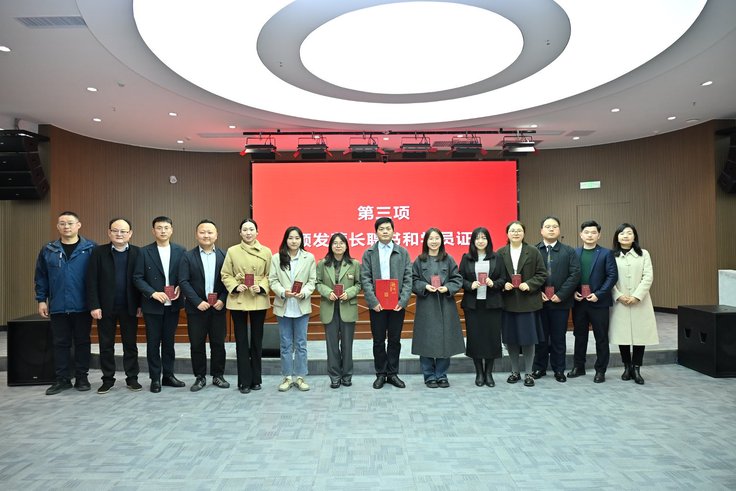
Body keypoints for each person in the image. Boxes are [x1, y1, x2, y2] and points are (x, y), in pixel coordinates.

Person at [35, 211, 96, 395]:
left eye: (70, 223)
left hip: (83, 305)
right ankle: (62, 379)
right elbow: (41, 277)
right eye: (62, 223)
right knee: (60, 343)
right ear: (57, 226)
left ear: (78, 225)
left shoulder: (91, 248)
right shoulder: (48, 250)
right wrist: (41, 300)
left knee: (82, 342)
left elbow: (97, 277)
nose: (66, 226)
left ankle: (82, 377)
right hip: (58, 306)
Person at [86, 218, 141, 394]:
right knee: (106, 344)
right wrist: (94, 305)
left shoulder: (138, 253)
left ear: (130, 233)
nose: (119, 234)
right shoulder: (98, 252)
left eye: (123, 231)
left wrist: (140, 304)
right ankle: (108, 379)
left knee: (130, 344)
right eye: (115, 230)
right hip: (105, 307)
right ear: (109, 232)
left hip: (130, 306)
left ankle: (132, 378)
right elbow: (91, 280)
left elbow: (141, 280)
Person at [132, 216, 186, 393]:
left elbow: (184, 275)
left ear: (172, 230)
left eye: (166, 227)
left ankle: (168, 375)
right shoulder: (144, 252)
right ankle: (155, 378)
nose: (163, 231)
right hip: (152, 305)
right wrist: (152, 293)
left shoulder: (180, 250)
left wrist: (180, 286)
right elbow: (137, 278)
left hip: (173, 304)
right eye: (159, 228)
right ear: (153, 231)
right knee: (153, 343)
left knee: (169, 342)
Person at [360, 217, 413, 389]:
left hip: (397, 304)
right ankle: (381, 374)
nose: (385, 231)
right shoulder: (369, 253)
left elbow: (408, 278)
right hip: (377, 305)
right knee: (378, 340)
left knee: (395, 340)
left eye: (388, 228)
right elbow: (365, 278)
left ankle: (393, 373)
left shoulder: (402, 252)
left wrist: (403, 300)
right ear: (376, 232)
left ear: (393, 231)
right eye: (381, 229)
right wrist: (373, 301)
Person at [221, 218, 272, 394]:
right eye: (245, 229)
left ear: (257, 232)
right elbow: (225, 274)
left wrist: (262, 286)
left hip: (258, 297)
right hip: (239, 298)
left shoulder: (266, 251)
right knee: (241, 341)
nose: (248, 233)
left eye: (251, 229)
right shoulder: (232, 251)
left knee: (257, 340)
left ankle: (256, 379)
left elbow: (270, 274)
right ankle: (244, 381)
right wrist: (235, 286)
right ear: (240, 232)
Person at [178, 219, 230, 392]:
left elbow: (228, 281)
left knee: (218, 343)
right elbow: (183, 281)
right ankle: (200, 377)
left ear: (216, 235)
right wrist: (197, 301)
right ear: (196, 235)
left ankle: (218, 375)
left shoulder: (224, 256)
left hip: (218, 308)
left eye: (210, 232)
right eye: (202, 232)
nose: (206, 235)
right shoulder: (187, 256)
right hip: (196, 309)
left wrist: (223, 299)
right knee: (197, 344)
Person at [411, 228, 464, 388]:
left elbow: (457, 279)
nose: (434, 241)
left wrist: (447, 287)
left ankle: (441, 374)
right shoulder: (419, 260)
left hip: (445, 304)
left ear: (441, 240)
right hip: (426, 304)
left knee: (445, 339)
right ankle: (429, 375)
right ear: (426, 241)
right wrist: (424, 286)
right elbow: (413, 280)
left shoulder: (448, 259)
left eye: (437, 238)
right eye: (431, 239)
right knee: (425, 340)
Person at [497, 220, 548, 387]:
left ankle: (528, 373)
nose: (516, 233)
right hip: (508, 302)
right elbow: (496, 275)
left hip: (528, 302)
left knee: (528, 339)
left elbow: (542, 274)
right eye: (512, 230)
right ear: (507, 233)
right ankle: (514, 371)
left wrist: (530, 284)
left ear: (524, 233)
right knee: (510, 339)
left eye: (519, 230)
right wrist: (503, 284)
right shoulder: (501, 252)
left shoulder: (532, 251)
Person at [531, 216, 581, 383]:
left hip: (561, 302)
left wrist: (561, 294)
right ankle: (539, 367)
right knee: (540, 337)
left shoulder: (568, 251)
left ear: (559, 230)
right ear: (541, 230)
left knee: (559, 337)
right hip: (539, 301)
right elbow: (528, 275)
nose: (551, 229)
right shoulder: (533, 250)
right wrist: (537, 292)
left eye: (554, 226)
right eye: (547, 226)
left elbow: (575, 274)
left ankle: (559, 369)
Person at [568, 220, 618, 383]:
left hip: (599, 302)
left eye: (593, 232)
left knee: (601, 337)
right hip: (579, 302)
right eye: (586, 232)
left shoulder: (606, 253)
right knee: (579, 335)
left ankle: (600, 370)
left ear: (599, 235)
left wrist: (599, 294)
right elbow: (570, 275)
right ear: (581, 235)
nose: (590, 235)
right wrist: (573, 292)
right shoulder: (574, 253)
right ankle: (579, 367)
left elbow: (612, 276)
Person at [269, 226, 316, 392]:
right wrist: (283, 292)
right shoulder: (276, 258)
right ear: (285, 240)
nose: (294, 241)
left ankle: (301, 377)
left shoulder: (309, 257)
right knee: (285, 344)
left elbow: (312, 281)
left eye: (297, 238)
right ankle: (287, 377)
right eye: (290, 238)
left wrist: (304, 293)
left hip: (301, 306)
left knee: (301, 344)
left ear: (301, 240)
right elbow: (272, 280)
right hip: (284, 307)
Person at [610, 223, 658, 385]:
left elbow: (648, 276)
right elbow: (608, 277)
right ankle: (626, 366)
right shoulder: (611, 255)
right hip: (620, 301)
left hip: (640, 301)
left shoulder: (644, 254)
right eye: (622, 233)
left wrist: (637, 296)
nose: (625, 236)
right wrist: (618, 295)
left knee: (640, 335)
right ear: (617, 237)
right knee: (622, 335)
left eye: (629, 233)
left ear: (634, 236)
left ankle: (636, 368)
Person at [459, 227, 505, 387]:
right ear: (473, 241)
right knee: (475, 339)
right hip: (473, 305)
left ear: (488, 240)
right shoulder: (466, 258)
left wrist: (494, 283)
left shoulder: (497, 257)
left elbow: (503, 279)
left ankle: (489, 373)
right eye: (477, 238)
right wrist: (469, 285)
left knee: (492, 339)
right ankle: (479, 372)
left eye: (483, 238)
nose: (480, 241)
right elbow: (459, 278)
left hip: (492, 304)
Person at [315, 233, 362, 388]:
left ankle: (347, 375)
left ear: (346, 246)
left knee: (347, 345)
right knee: (332, 345)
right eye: (335, 243)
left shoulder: (354, 264)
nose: (338, 246)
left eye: (341, 243)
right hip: (329, 307)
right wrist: (328, 292)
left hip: (347, 307)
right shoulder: (322, 264)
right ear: (330, 246)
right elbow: (317, 282)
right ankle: (335, 376)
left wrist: (349, 293)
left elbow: (359, 284)